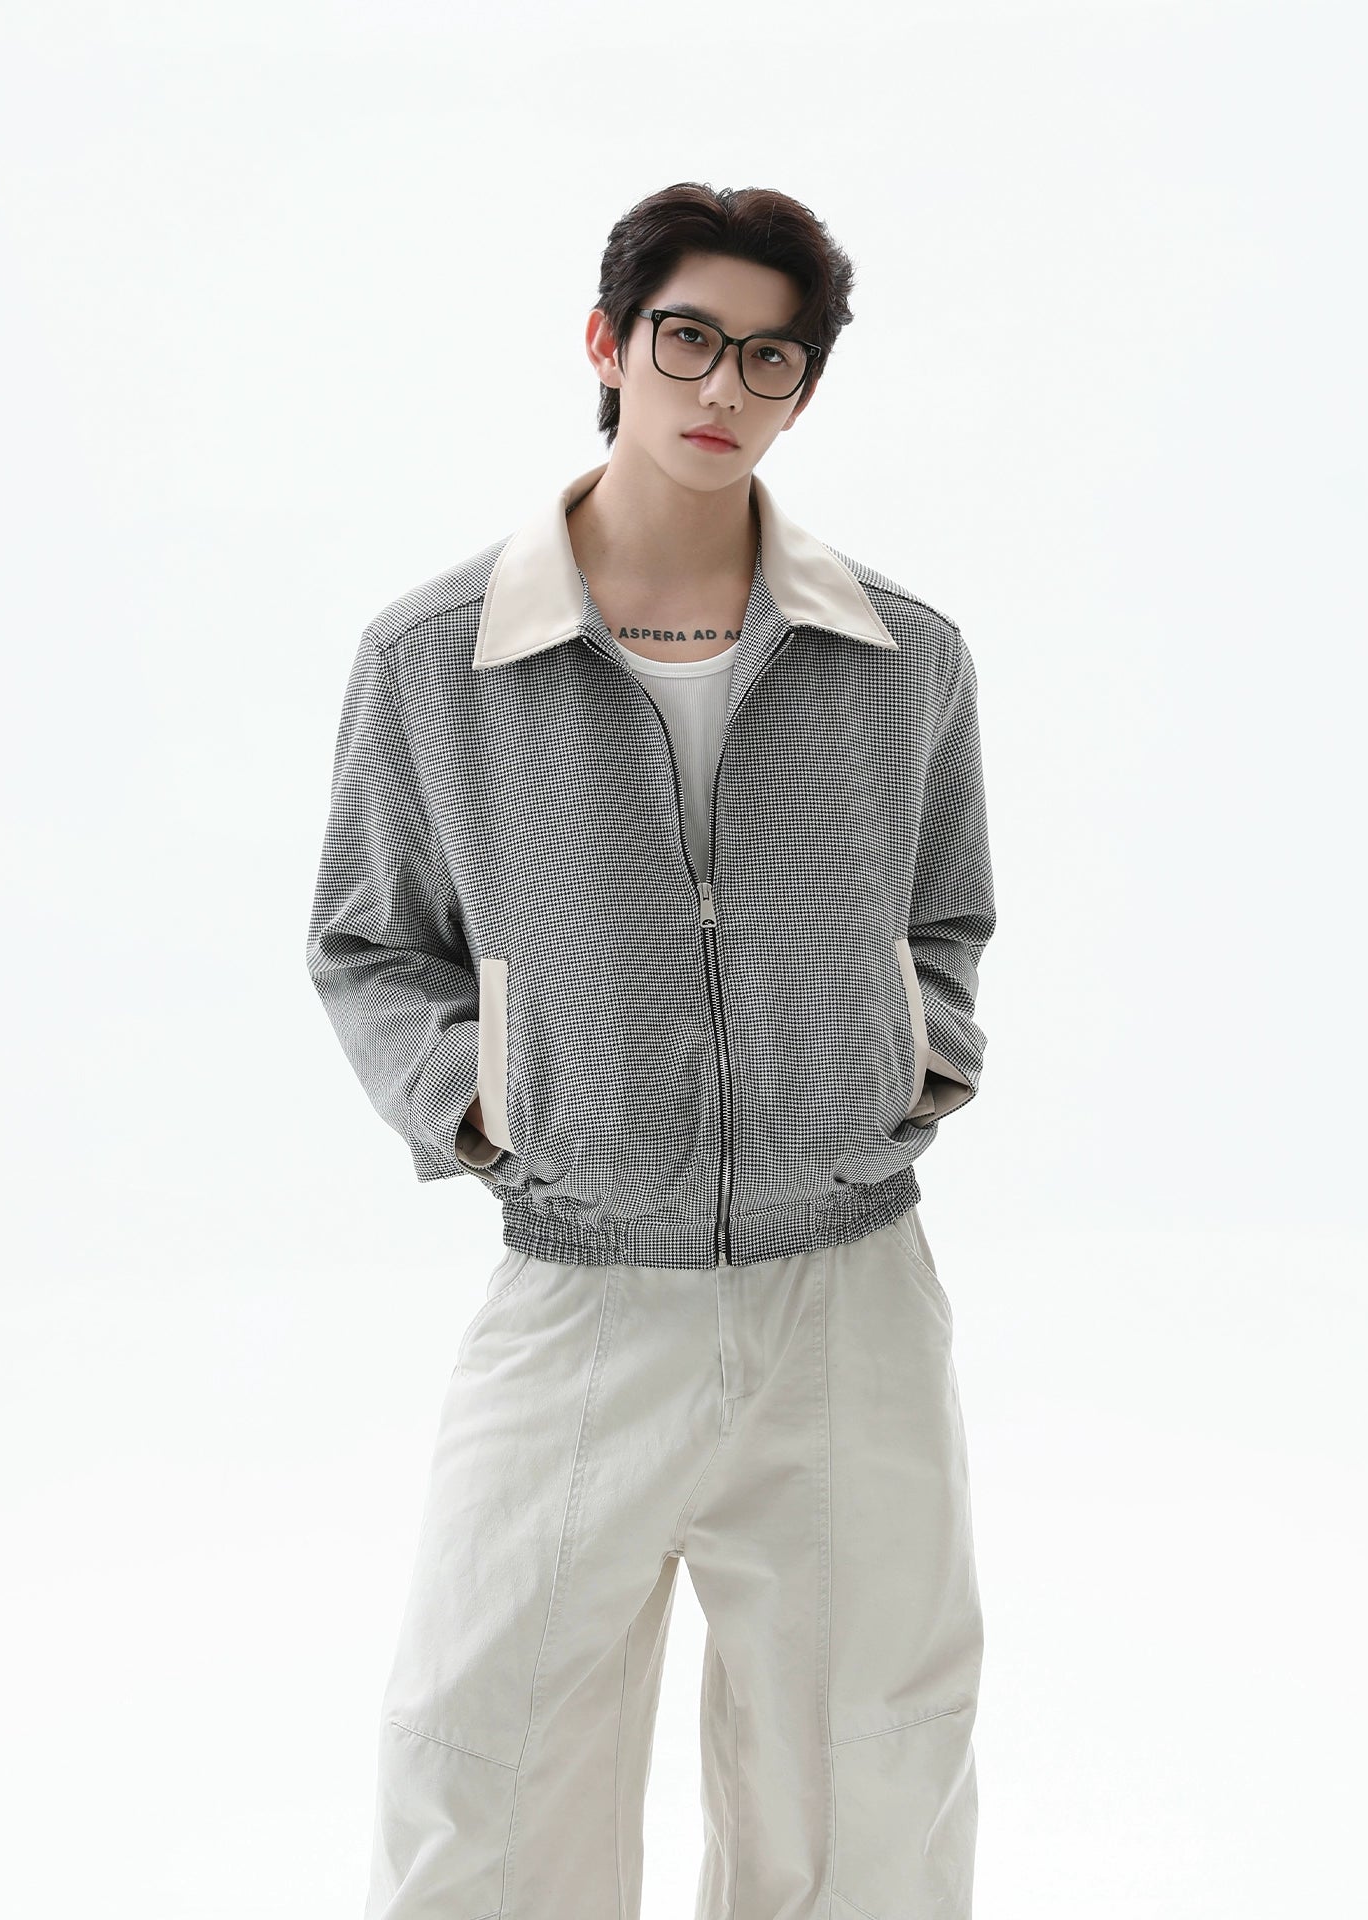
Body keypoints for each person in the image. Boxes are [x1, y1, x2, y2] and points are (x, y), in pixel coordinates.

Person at [306, 179, 997, 1920]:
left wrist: (906, 1065)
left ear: (803, 392)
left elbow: (944, 916)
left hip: (848, 1298)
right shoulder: (438, 658)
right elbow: (370, 945)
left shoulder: (900, 655)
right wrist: (490, 1105)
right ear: (608, 343)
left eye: (771, 357)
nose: (721, 385)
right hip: (581, 1286)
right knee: (484, 1765)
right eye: (688, 337)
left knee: (866, 1775)